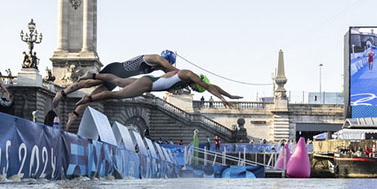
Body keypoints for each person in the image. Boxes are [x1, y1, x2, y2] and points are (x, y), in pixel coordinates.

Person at [53, 51, 178, 130]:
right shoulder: (156, 58)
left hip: (118, 78)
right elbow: (173, 71)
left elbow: (169, 75)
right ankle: (62, 93)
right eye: (168, 63)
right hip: (115, 69)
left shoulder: (157, 67)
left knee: (94, 96)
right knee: (89, 82)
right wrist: (185, 76)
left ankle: (73, 115)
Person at [75, 69, 238, 110]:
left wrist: (229, 95)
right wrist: (222, 100)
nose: (194, 89)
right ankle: (88, 99)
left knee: (119, 80)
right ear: (197, 81)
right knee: (117, 94)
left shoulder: (185, 77)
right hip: (148, 85)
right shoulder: (188, 74)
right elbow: (208, 87)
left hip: (150, 81)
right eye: (197, 87)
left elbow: (212, 86)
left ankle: (92, 75)